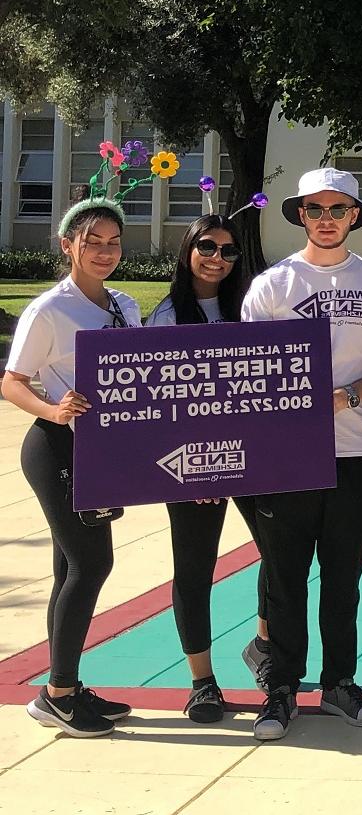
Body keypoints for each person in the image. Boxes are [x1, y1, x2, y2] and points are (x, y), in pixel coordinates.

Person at [242, 167, 362, 741]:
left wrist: (347, 396)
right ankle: (281, 688)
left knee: (343, 578)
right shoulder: (272, 285)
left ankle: (339, 682)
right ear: (299, 215)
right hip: (285, 456)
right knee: (284, 577)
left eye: (338, 209)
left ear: (355, 216)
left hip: (354, 452)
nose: (326, 220)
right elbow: (248, 369)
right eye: (315, 209)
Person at [3, 187, 142, 737]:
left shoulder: (123, 305)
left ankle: (63, 685)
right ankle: (59, 693)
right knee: (91, 564)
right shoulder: (49, 310)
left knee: (70, 569)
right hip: (57, 448)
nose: (104, 252)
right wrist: (55, 411)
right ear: (68, 245)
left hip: (104, 450)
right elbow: (11, 382)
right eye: (93, 242)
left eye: (113, 243)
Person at [146, 213, 268, 723]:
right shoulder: (168, 314)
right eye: (207, 247)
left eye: (229, 250)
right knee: (194, 569)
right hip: (193, 466)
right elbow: (154, 399)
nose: (218, 258)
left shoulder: (254, 307)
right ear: (188, 250)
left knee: (281, 555)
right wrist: (194, 468)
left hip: (253, 457)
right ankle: (202, 681)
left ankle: (262, 646)